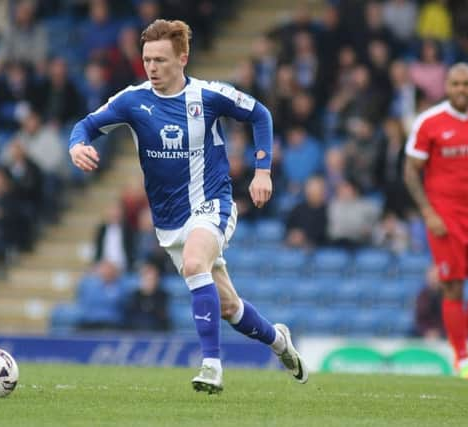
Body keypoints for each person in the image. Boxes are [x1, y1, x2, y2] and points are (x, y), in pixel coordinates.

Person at [69, 19, 307, 394]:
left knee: (197, 263)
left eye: (161, 60)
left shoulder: (209, 96)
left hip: (213, 204)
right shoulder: (133, 100)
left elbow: (260, 113)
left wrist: (262, 171)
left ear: (183, 59)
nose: (152, 68)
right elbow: (86, 125)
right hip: (169, 222)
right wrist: (76, 145)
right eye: (147, 59)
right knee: (229, 307)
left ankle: (211, 365)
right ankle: (278, 341)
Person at [404, 63, 468, 379]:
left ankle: (458, 334)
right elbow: (410, 169)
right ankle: (462, 357)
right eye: (455, 84)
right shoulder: (430, 122)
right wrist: (428, 213)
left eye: (466, 84)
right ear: (447, 87)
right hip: (445, 218)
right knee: (453, 286)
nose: (461, 90)